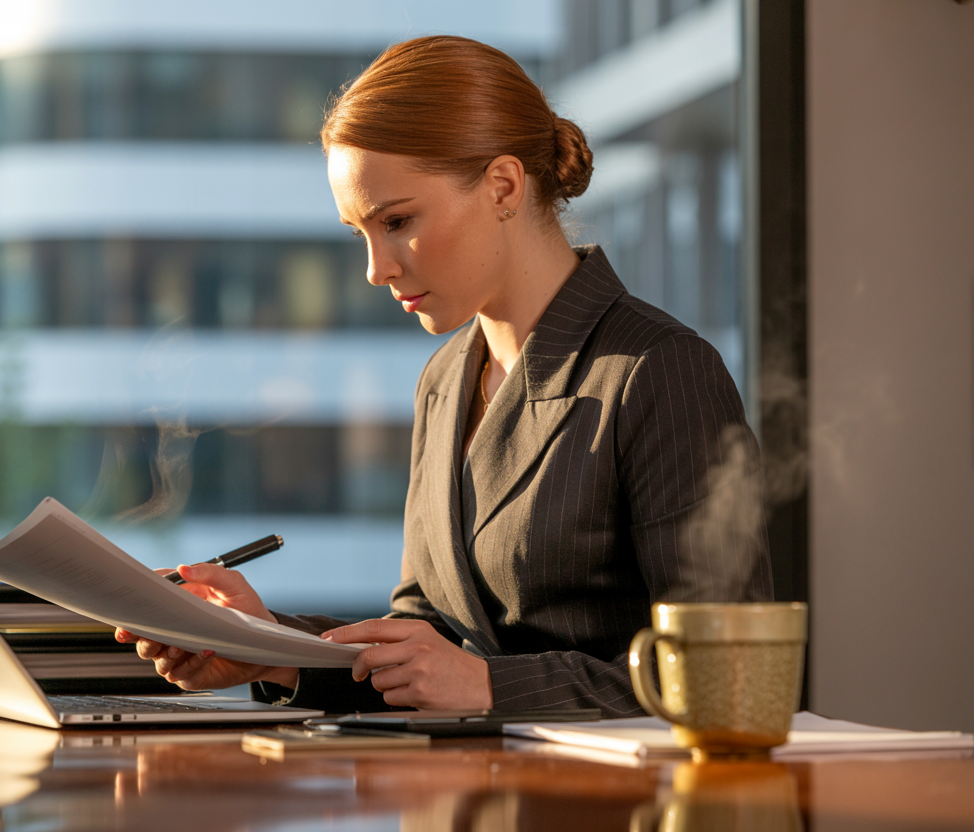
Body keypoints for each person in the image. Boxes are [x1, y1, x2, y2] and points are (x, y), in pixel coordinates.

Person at [117, 36, 772, 716]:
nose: (377, 269)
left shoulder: (656, 371)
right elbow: (426, 642)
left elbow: (732, 678)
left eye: (397, 221)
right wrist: (268, 645)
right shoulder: (446, 378)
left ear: (504, 186)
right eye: (360, 234)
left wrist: (491, 687)